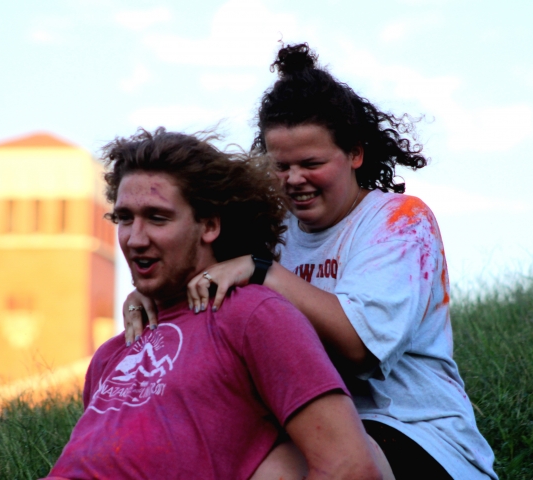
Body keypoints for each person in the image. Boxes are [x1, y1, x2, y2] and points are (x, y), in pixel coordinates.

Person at [125, 44, 498, 479]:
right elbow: (199, 277)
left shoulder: (399, 220)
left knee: (282, 470)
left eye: (311, 163)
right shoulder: (272, 228)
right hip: (303, 424)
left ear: (355, 154)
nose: (294, 180)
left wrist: (264, 272)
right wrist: (147, 296)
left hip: (418, 438)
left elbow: (360, 349)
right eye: (280, 166)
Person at [43, 128, 392, 480]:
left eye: (157, 218)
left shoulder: (253, 315)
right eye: (125, 218)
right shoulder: (110, 354)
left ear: (209, 225)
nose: (135, 238)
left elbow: (352, 466)